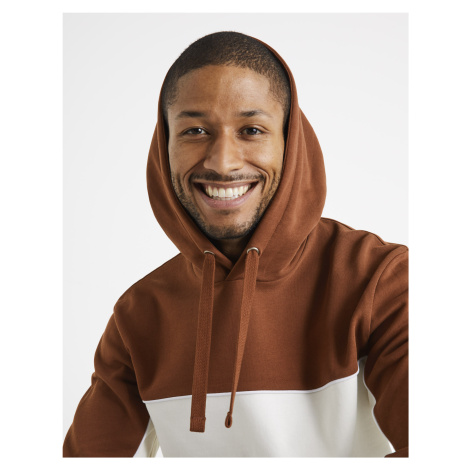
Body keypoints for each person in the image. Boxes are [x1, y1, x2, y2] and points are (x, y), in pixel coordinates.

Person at [63, 31, 408, 458]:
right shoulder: (139, 316)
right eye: (194, 131)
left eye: (251, 130)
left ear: (291, 142)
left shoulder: (381, 280)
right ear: (164, 146)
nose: (223, 162)